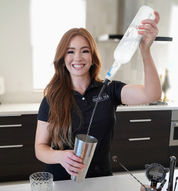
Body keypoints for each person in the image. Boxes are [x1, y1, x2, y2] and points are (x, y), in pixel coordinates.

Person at [35, 11, 161, 180]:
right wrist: (60, 156)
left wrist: (145, 50)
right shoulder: (52, 99)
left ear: (93, 57)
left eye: (85, 51)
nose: (78, 57)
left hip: (101, 180)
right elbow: (40, 148)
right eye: (70, 51)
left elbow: (152, 94)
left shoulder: (109, 90)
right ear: (62, 58)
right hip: (62, 183)